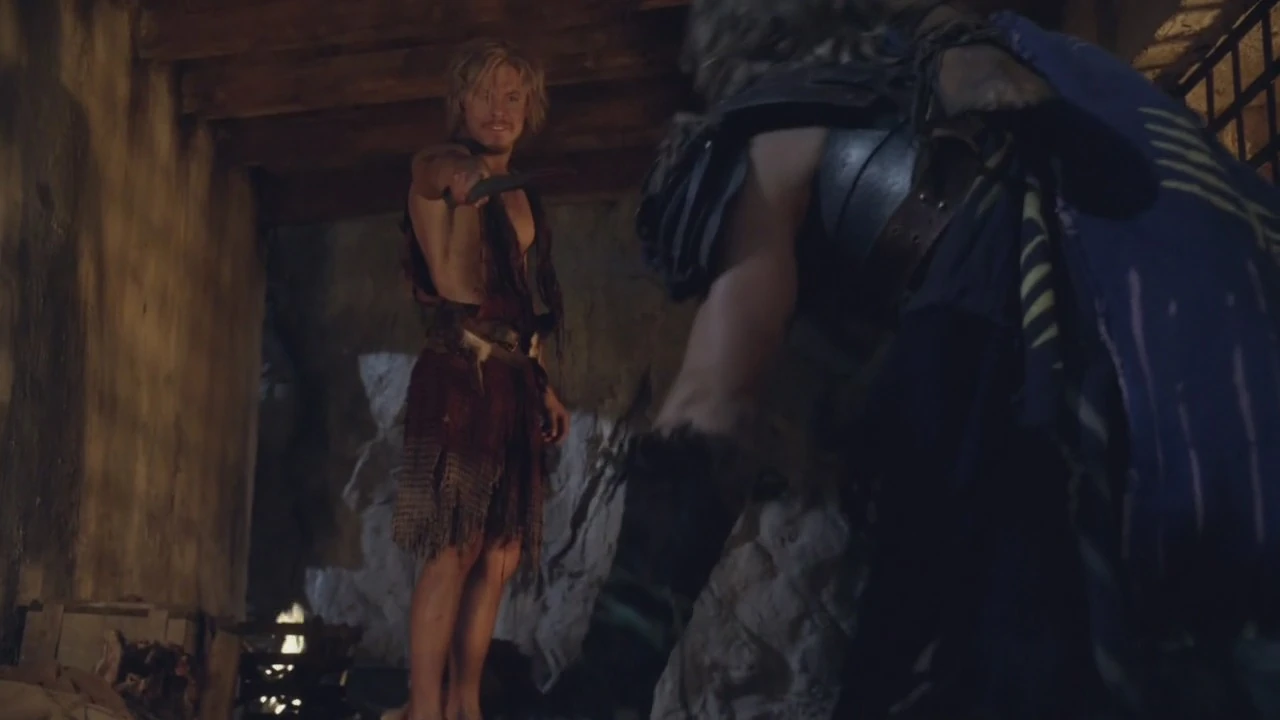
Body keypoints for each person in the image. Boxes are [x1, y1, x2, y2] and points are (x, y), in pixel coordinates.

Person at [588, 0, 1280, 717]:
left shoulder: (782, 129)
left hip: (1024, 392)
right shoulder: (1061, 79)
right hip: (1219, 388)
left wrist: (607, 673)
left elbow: (713, 401)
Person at [390, 39, 571, 720]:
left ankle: (465, 706)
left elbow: (522, 301)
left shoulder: (522, 192)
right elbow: (431, 170)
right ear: (461, 103)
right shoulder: (443, 164)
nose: (500, 108)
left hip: (513, 381)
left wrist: (544, 384)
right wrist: (462, 178)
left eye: (513, 96)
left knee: (499, 552)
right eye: (486, 94)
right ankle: (424, 708)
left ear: (530, 108)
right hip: (459, 376)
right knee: (454, 547)